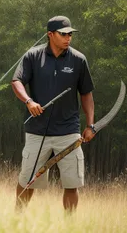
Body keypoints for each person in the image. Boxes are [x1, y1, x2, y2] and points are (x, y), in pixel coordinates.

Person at [12, 15, 95, 211]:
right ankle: (17, 219)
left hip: (68, 131)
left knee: (72, 184)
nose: (68, 38)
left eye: (70, 34)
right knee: (27, 181)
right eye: (63, 34)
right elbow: (16, 82)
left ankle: (69, 226)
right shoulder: (32, 56)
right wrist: (29, 101)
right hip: (37, 130)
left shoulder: (79, 60)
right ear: (50, 35)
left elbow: (86, 94)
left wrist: (90, 125)